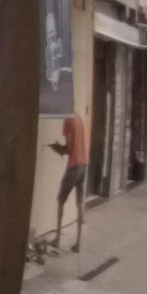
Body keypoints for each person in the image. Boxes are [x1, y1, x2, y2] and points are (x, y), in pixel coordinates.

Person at [52, 104, 91, 250]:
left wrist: (58, 148)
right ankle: (78, 243)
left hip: (73, 166)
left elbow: (69, 149)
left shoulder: (67, 120)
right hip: (83, 165)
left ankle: (57, 238)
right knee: (79, 203)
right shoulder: (78, 118)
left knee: (60, 200)